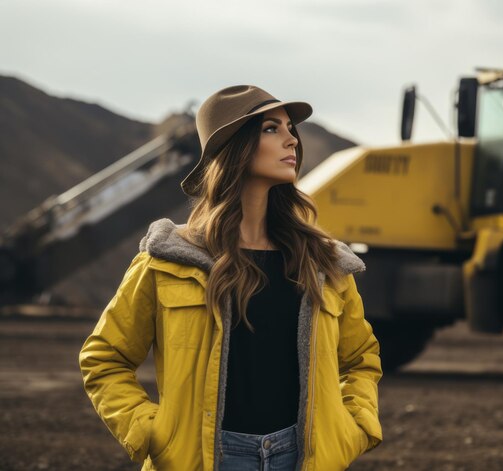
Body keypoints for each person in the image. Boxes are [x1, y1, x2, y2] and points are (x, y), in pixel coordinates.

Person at [79, 85, 383, 471]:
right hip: (206, 460)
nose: (292, 139)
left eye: (291, 128)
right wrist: (150, 432)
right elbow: (105, 358)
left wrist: (353, 426)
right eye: (272, 128)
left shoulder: (323, 263)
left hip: (300, 459)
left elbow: (360, 358)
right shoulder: (168, 261)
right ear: (234, 148)